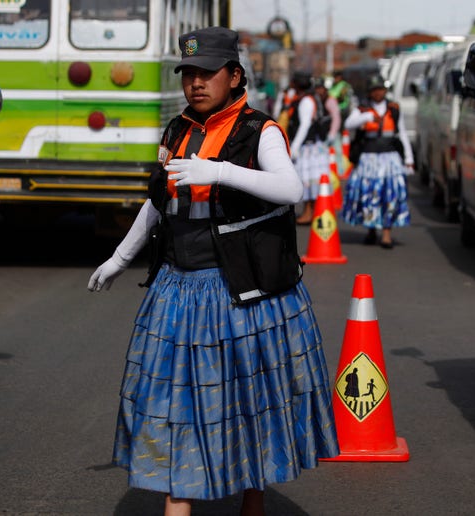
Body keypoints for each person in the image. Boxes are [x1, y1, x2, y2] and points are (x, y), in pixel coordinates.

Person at [87, 27, 339, 516]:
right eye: (189, 74)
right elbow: (158, 204)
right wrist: (120, 257)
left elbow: (292, 190)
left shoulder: (259, 130)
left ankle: (252, 502)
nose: (196, 83)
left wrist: (219, 171)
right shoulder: (176, 129)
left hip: (243, 294)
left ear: (235, 76)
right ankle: (181, 499)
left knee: (249, 405)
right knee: (172, 411)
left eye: (208, 73)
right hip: (177, 291)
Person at [341, 74, 414, 249]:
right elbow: (348, 124)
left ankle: (387, 234)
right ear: (370, 92)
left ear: (385, 90)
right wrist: (366, 119)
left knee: (390, 195)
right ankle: (371, 230)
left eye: (380, 89)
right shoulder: (363, 109)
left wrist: (409, 159)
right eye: (374, 90)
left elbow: (402, 133)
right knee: (369, 194)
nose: (378, 93)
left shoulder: (394, 108)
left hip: (390, 158)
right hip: (369, 158)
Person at [286, 71, 329, 224]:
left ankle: (310, 212)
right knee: (308, 180)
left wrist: (295, 146)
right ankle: (309, 212)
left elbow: (305, 125)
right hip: (309, 145)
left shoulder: (306, 101)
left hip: (308, 147)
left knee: (308, 180)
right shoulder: (306, 98)